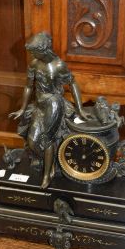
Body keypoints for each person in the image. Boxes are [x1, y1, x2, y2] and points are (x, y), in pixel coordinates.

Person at [9, 32, 90, 188]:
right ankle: (51, 161)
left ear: (43, 49)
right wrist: (22, 108)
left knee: (47, 139)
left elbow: (72, 84)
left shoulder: (59, 65)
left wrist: (80, 109)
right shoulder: (34, 63)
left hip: (53, 104)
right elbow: (28, 86)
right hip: (39, 105)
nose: (31, 54)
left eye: (33, 51)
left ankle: (47, 174)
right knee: (32, 142)